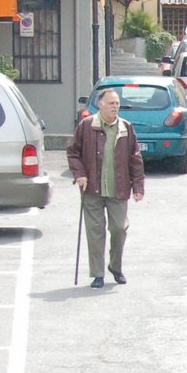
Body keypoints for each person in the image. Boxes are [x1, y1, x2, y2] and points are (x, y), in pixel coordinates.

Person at [66, 89, 145, 289]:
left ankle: (115, 266)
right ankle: (98, 273)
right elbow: (73, 152)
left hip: (118, 189)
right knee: (95, 231)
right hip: (92, 188)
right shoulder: (87, 126)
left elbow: (135, 158)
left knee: (119, 229)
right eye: (111, 103)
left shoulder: (125, 127)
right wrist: (80, 174)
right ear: (100, 105)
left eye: (117, 103)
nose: (115, 106)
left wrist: (138, 186)